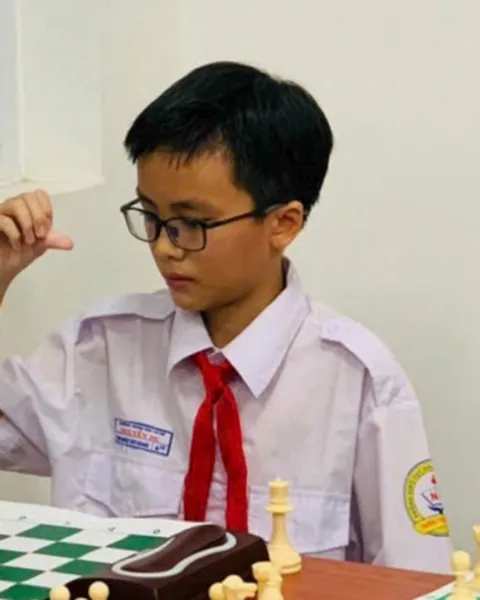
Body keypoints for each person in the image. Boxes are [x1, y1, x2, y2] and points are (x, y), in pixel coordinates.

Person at [0, 61, 451, 572]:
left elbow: (418, 581)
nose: (164, 247)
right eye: (151, 216)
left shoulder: (357, 382)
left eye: (192, 223)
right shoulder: (99, 350)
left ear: (283, 224)